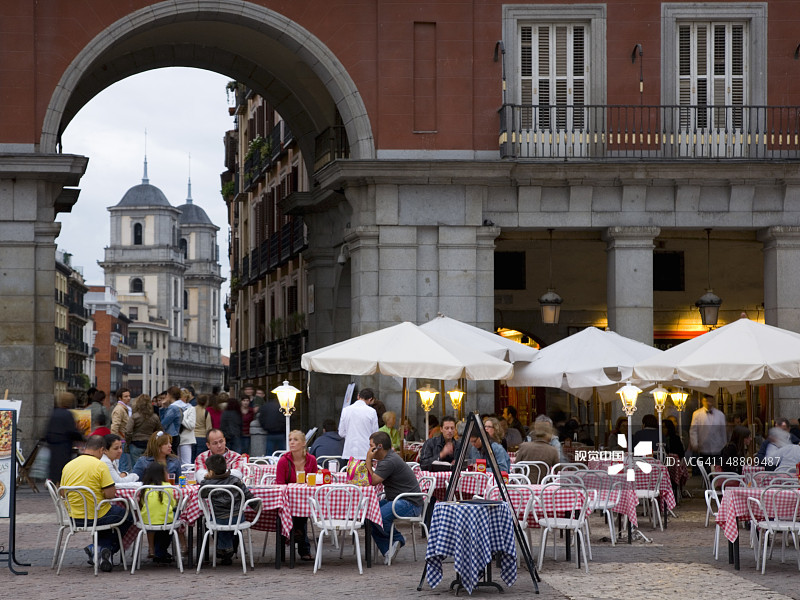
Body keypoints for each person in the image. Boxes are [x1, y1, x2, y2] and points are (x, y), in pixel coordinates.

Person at [60, 435, 133, 572]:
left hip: (74, 517)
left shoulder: (69, 465)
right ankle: (104, 549)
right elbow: (110, 494)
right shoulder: (100, 465)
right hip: (97, 516)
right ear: (101, 450)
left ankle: (99, 550)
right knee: (128, 514)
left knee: (108, 517)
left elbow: (62, 493)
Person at [364, 431, 422, 563]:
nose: (369, 449)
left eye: (371, 446)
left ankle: (398, 539)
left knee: (380, 517)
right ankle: (388, 549)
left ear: (379, 447)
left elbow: (373, 481)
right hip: (397, 499)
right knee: (369, 516)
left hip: (410, 502)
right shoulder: (387, 459)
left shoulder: (389, 461)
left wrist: (368, 459)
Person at [198, 453, 256, 565]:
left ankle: (224, 548)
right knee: (235, 527)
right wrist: (256, 505)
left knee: (214, 523)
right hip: (237, 518)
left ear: (210, 472)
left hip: (218, 518)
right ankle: (228, 549)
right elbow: (247, 494)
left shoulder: (207, 484)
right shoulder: (235, 480)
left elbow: (202, 494)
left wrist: (207, 479)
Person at [275, 430, 317, 561]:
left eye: (295, 440)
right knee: (297, 515)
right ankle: (302, 544)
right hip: (287, 500)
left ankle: (296, 535)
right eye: (290, 440)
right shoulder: (283, 461)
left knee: (302, 512)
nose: (292, 442)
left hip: (305, 500)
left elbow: (314, 482)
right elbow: (279, 485)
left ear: (304, 443)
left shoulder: (311, 460)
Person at [139, 461, 178, 563]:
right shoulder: (168, 486)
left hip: (147, 521)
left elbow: (143, 503)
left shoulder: (145, 488)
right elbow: (173, 504)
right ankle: (161, 551)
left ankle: (152, 549)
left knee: (153, 519)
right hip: (166, 520)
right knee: (173, 520)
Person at [46, 392, 84, 484]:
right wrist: (82, 437)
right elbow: (72, 431)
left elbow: (46, 431)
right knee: (64, 469)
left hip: (53, 446)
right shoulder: (68, 414)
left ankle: (55, 486)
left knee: (55, 470)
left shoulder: (54, 413)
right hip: (64, 446)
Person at [339, 388, 379, 459]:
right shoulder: (371, 411)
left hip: (349, 451)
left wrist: (350, 435)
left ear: (358, 396)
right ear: (370, 399)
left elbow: (341, 432)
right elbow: (375, 434)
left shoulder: (346, 410)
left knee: (350, 470)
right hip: (365, 451)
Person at [689, 395, 727, 468]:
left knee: (717, 470)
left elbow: (723, 431)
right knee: (705, 470)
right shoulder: (697, 414)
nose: (709, 403)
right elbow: (693, 430)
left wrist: (724, 445)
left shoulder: (720, 414)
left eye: (711, 401)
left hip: (717, 448)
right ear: (702, 401)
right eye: (707, 401)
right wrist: (694, 444)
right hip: (703, 448)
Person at [125, 393, 163, 464]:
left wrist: (128, 441)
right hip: (149, 445)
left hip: (135, 444)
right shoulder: (155, 417)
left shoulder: (134, 416)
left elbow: (128, 431)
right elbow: (160, 431)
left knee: (136, 467)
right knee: (149, 467)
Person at [110, 387, 133, 472]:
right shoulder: (119, 409)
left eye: (129, 396)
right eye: (126, 396)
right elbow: (115, 426)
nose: (128, 398)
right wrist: (115, 441)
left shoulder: (124, 408)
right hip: (122, 440)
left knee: (125, 465)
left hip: (124, 440)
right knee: (124, 466)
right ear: (120, 398)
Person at [257, 390, 286, 455]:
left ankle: (270, 463)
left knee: (269, 451)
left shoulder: (265, 406)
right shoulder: (282, 406)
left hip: (269, 432)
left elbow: (261, 418)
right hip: (281, 432)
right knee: (282, 451)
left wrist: (264, 427)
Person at [173, 386, 196, 465]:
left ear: (186, 398)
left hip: (185, 440)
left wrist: (180, 417)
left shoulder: (191, 409)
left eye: (181, 397)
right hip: (176, 439)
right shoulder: (174, 408)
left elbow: (191, 425)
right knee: (177, 463)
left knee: (186, 464)